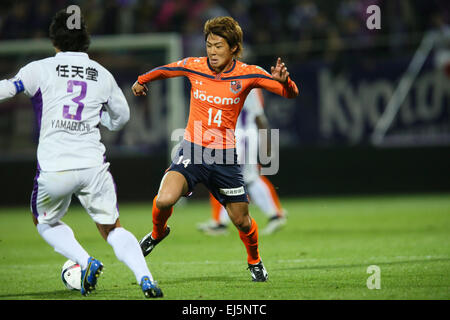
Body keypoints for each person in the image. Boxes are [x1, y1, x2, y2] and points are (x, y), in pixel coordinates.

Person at [0, 9, 162, 298]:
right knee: (112, 228)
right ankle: (146, 278)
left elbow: (9, 89)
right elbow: (121, 117)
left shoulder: (40, 68)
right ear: (86, 40)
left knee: (45, 221)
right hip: (92, 166)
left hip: (55, 167)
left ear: (54, 40)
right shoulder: (102, 74)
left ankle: (86, 261)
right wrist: (105, 121)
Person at [132, 16, 298, 282]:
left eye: (219, 46)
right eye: (209, 45)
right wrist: (142, 80)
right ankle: (157, 233)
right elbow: (165, 70)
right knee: (164, 199)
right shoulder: (195, 66)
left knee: (242, 221)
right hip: (193, 151)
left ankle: (254, 260)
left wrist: (285, 82)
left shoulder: (248, 73)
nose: (212, 51)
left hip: (225, 158)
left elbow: (290, 93)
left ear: (234, 48)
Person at [198, 88, 287, 236]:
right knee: (238, 178)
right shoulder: (230, 80)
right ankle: (221, 222)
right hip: (233, 136)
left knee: (245, 178)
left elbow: (258, 115)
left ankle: (274, 215)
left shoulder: (246, 82)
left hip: (242, 136)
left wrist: (267, 141)